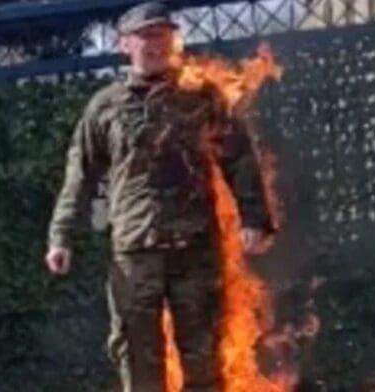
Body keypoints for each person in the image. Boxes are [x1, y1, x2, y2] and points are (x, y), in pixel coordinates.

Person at [44, 2, 275, 391]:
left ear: (173, 40)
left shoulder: (201, 96)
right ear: (125, 44)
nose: (155, 43)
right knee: (138, 359)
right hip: (135, 252)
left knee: (204, 360)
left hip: (196, 249)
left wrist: (255, 218)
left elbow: (238, 158)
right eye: (145, 36)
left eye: (162, 34)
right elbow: (80, 175)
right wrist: (60, 237)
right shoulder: (106, 107)